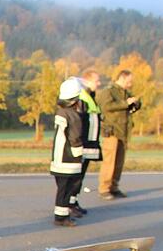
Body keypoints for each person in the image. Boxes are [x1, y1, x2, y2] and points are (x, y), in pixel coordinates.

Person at [96, 69, 141, 200]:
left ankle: (114, 187)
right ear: (122, 78)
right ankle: (104, 188)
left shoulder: (125, 92)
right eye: (129, 81)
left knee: (119, 162)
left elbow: (129, 107)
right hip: (112, 131)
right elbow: (106, 106)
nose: (130, 84)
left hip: (123, 131)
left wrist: (136, 103)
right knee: (109, 162)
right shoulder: (108, 91)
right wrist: (125, 103)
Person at [50, 78, 86, 227]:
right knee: (67, 188)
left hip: (58, 157)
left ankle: (61, 214)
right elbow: (75, 137)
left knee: (61, 188)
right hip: (69, 158)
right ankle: (61, 217)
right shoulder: (73, 116)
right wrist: (79, 154)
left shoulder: (61, 112)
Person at [70, 69, 103, 216]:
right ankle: (70, 203)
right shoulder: (83, 97)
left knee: (80, 175)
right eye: (97, 81)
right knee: (76, 175)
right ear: (87, 81)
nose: (99, 83)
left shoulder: (90, 96)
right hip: (83, 143)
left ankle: (73, 201)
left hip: (89, 143)